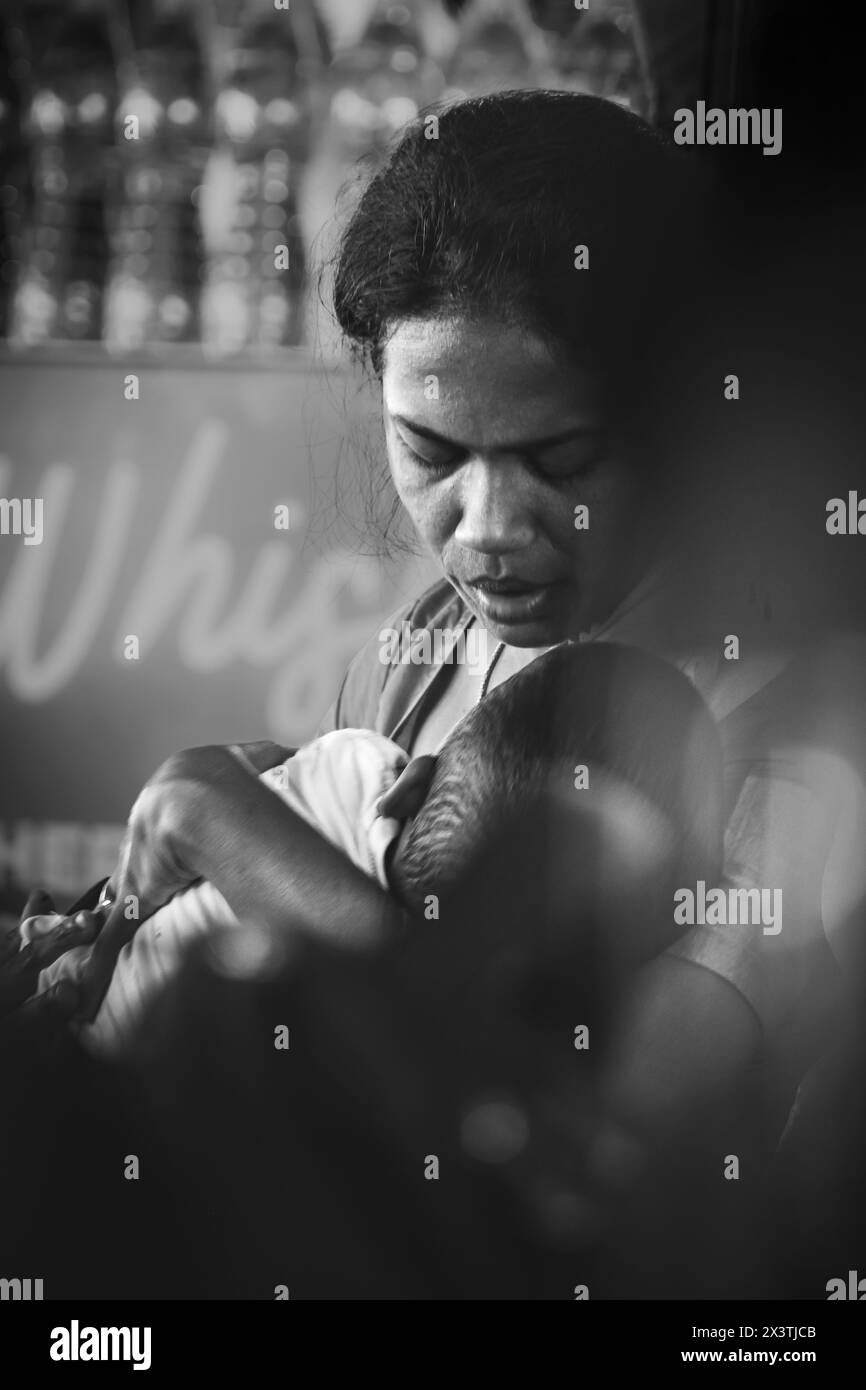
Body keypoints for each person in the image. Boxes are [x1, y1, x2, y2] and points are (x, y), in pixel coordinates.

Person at [8, 92, 864, 1285]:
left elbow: (577, 1123)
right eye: (432, 453)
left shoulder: (784, 744)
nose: (490, 530)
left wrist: (230, 826)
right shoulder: (414, 657)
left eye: (559, 459)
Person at [21, 641, 722, 1058]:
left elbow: (194, 795)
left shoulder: (358, 767)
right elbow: (187, 801)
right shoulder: (419, 1006)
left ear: (412, 782)